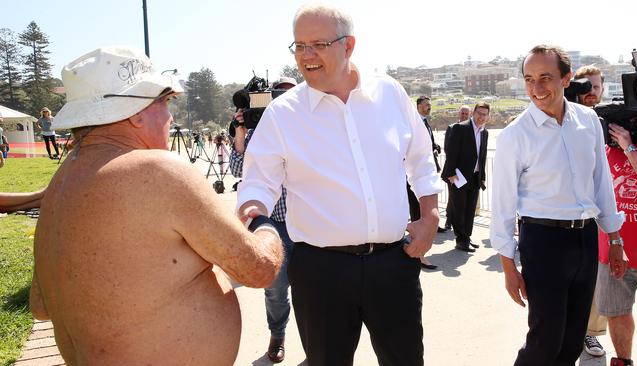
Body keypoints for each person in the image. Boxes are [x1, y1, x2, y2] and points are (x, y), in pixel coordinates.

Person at [29, 46, 283, 366]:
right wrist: (265, 227)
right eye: (164, 101)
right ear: (135, 112)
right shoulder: (158, 171)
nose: (170, 115)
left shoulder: (60, 183)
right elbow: (258, 269)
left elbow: (40, 305)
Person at [236, 4, 443, 365]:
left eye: (317, 44)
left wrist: (430, 217)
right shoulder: (283, 114)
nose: (306, 56)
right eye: (299, 46)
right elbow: (257, 185)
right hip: (321, 273)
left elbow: (422, 160)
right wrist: (255, 217)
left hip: (394, 264)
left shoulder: (390, 93)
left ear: (348, 46)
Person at [490, 44, 625, 366]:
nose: (537, 88)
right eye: (529, 79)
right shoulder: (515, 135)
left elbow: (601, 183)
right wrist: (509, 268)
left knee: (573, 338)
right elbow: (503, 207)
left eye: (546, 77)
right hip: (543, 242)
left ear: (566, 79)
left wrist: (616, 238)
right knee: (544, 341)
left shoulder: (589, 120)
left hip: (586, 239)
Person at [230, 76, 297, 363]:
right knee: (276, 290)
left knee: (312, 290)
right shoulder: (259, 129)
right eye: (278, 94)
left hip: (307, 223)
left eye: (290, 93)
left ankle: (316, 343)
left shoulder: (310, 126)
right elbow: (236, 168)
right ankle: (277, 335)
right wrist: (242, 130)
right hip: (272, 226)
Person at [597, 110, 637, 366]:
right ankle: (622, 362)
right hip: (613, 254)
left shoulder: (626, 147)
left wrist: (629, 147)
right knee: (616, 314)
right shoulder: (610, 150)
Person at [574, 64, 608, 357]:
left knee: (599, 278)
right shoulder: (565, 119)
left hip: (602, 213)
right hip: (567, 217)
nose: (591, 92)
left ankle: (591, 333)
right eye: (586, 86)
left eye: (596, 87)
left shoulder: (610, 120)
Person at [441, 102, 489, 252]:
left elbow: (483, 156)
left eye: (485, 114)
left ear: (488, 116)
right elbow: (451, 152)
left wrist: (482, 176)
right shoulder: (460, 128)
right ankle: (460, 240)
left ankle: (466, 237)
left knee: (470, 210)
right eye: (479, 113)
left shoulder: (484, 133)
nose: (481, 117)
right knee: (459, 209)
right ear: (473, 113)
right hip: (458, 177)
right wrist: (450, 174)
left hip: (475, 177)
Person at [408, 96, 445, 270]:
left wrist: (435, 146)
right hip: (413, 181)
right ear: (418, 106)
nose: (429, 107)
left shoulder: (425, 122)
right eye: (426, 105)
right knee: (418, 215)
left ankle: (418, 252)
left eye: (430, 105)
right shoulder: (414, 123)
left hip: (423, 176)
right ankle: (419, 255)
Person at [443, 104, 472, 231]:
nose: (464, 115)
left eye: (466, 113)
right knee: (452, 197)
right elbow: (447, 149)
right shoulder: (452, 128)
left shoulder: (472, 129)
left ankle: (460, 225)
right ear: (458, 114)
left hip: (467, 172)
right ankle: (449, 221)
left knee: (463, 200)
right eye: (462, 113)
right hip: (454, 171)